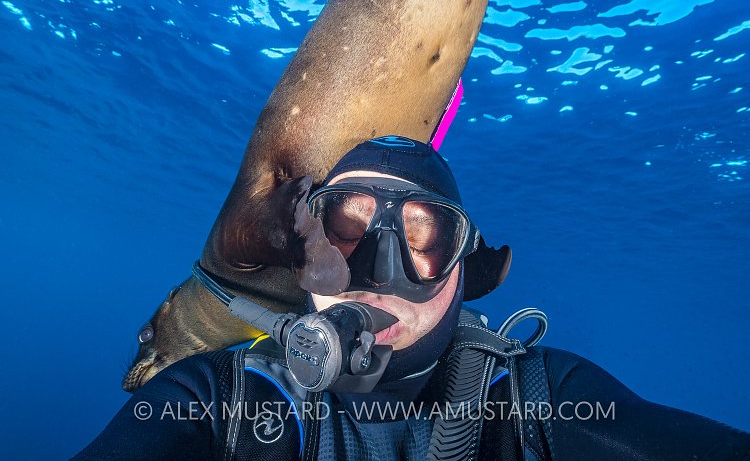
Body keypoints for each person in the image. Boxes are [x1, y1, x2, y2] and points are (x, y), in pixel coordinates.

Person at [75, 136, 750, 460]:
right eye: (343, 231)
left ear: (468, 272)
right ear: (303, 254)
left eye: (425, 237)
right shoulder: (219, 402)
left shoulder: (536, 403)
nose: (376, 271)